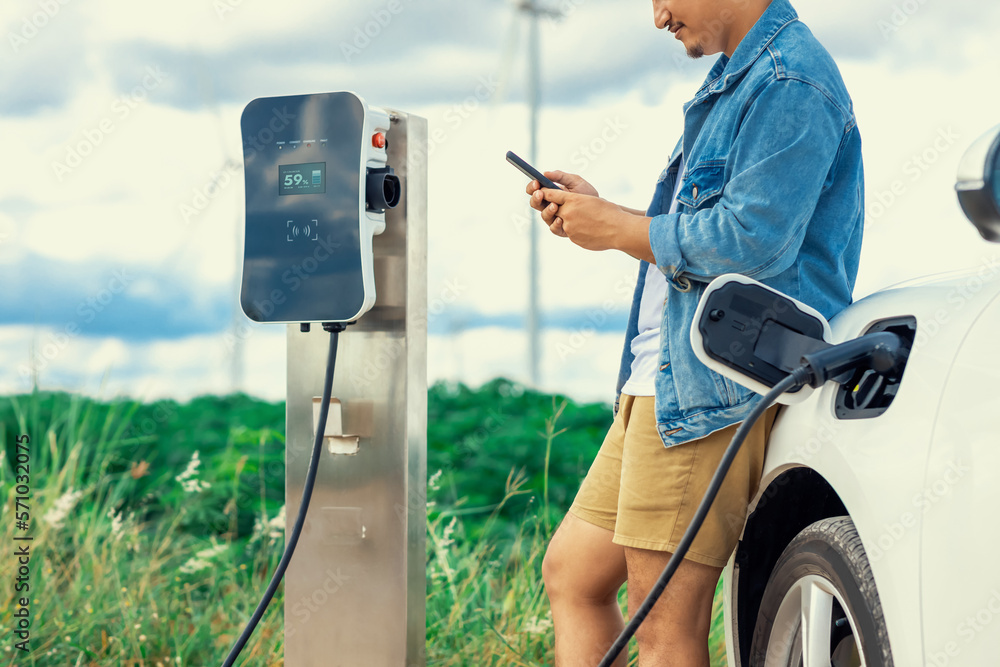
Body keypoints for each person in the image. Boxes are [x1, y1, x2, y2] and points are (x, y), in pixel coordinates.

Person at [525, 0, 864, 665]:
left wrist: (619, 231)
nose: (657, 18)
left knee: (664, 629)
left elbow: (753, 241)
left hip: (710, 392)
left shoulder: (790, 81)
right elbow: (699, 234)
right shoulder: (739, 78)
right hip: (661, 379)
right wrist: (603, 213)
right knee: (572, 574)